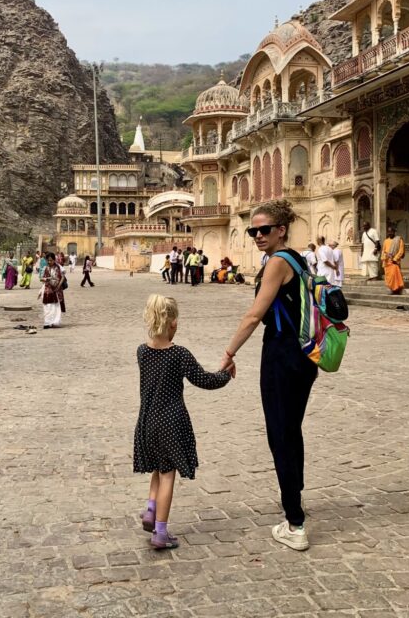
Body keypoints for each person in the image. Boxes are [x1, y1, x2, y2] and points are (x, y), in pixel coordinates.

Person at [221, 199, 318, 552]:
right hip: (305, 355)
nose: (257, 236)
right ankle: (296, 498)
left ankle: (295, 523)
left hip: (282, 354)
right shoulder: (297, 258)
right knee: (291, 429)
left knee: (280, 433)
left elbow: (253, 315)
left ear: (281, 229)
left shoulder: (277, 262)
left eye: (264, 230)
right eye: (253, 231)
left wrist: (230, 352)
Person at [134, 294, 232, 550]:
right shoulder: (179, 354)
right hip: (171, 422)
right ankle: (161, 532)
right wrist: (225, 374)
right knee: (168, 475)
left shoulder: (142, 351)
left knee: (157, 468)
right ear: (174, 323)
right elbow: (204, 380)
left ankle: (150, 510)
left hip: (147, 420)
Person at [39, 251, 64, 328]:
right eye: (48, 260)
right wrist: (46, 279)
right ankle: (47, 322)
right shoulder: (45, 268)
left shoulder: (58, 267)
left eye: (51, 260)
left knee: (55, 307)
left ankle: (55, 322)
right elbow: (41, 279)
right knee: (47, 307)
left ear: (54, 260)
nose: (49, 262)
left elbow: (62, 277)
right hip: (47, 290)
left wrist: (58, 286)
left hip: (56, 290)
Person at [383, 226, 406, 295]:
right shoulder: (386, 241)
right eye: (389, 231)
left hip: (395, 261)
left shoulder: (399, 239)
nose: (390, 233)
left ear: (394, 232)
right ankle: (391, 289)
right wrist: (385, 257)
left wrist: (395, 259)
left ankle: (396, 289)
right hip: (387, 262)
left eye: (391, 231)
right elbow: (383, 251)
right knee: (389, 277)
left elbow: (401, 251)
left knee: (395, 276)